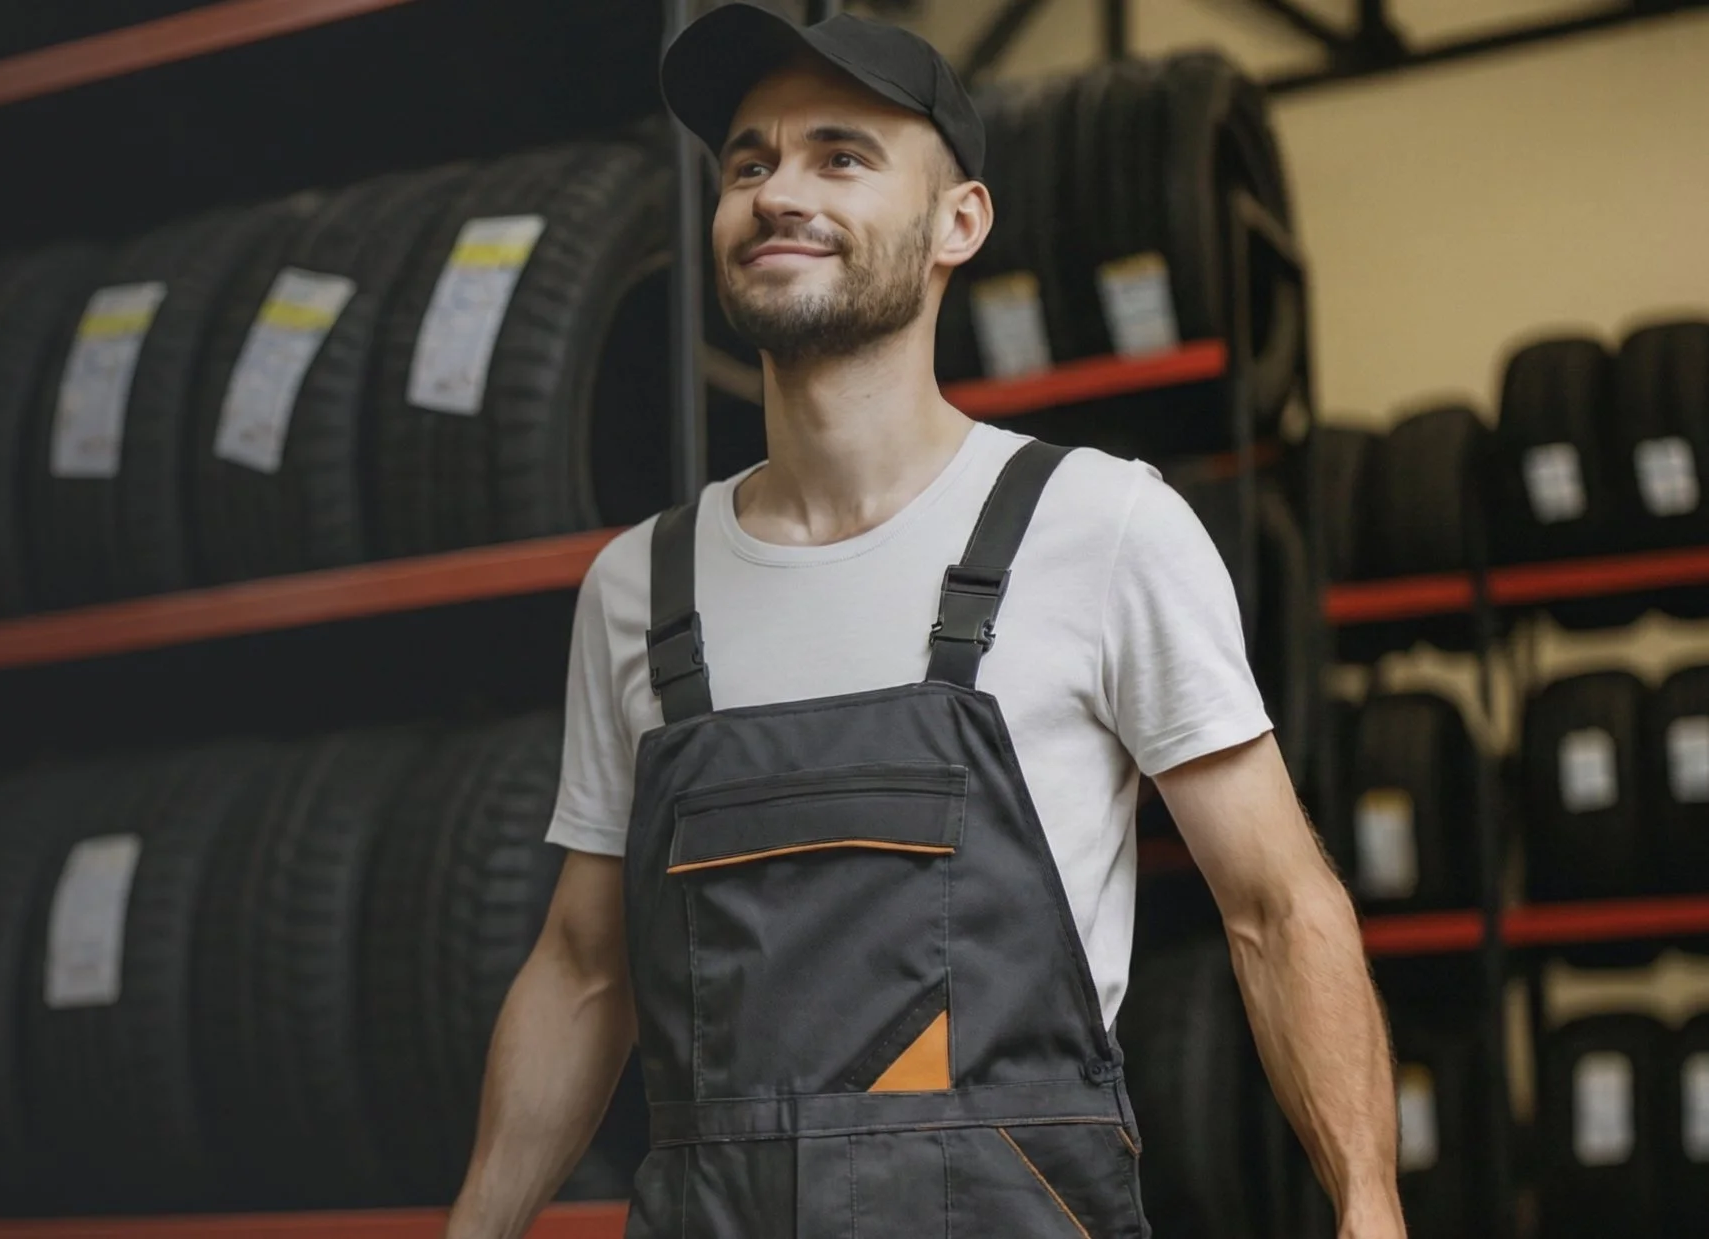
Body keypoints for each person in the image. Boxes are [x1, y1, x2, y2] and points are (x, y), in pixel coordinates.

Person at [439, 6, 1403, 1238]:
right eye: (749, 162)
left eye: (841, 156)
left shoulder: (1098, 527)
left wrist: (1368, 1209)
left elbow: (1277, 906)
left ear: (959, 224)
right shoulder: (639, 589)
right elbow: (582, 970)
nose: (778, 191)